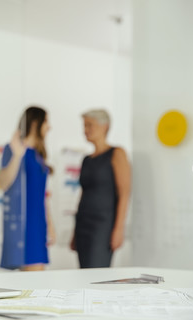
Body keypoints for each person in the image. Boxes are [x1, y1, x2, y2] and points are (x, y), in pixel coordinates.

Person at [70, 109, 131, 268]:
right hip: (83, 224)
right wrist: (74, 232)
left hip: (102, 226)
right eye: (84, 126)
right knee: (83, 273)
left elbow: (124, 194)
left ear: (105, 126)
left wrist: (119, 229)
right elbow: (83, 194)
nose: (85, 130)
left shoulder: (117, 154)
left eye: (89, 125)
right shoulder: (86, 160)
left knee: (97, 273)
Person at [0, 106, 56, 271]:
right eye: (46, 121)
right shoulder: (13, 150)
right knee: (34, 280)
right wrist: (17, 155)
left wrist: (50, 224)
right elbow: (3, 183)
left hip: (38, 224)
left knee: (37, 278)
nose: (49, 127)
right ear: (35, 123)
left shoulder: (38, 155)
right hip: (24, 224)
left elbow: (42, 195)